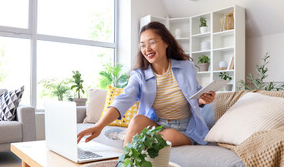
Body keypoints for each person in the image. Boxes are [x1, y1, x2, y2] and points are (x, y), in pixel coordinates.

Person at [77, 21, 215, 147]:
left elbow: (195, 94)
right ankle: (125, 164)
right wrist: (99, 126)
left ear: (166, 42)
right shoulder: (139, 75)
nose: (147, 48)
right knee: (137, 121)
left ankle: (127, 136)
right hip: (157, 124)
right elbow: (124, 99)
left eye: (152, 42)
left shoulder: (186, 67)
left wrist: (203, 99)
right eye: (143, 45)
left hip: (186, 129)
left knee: (163, 137)